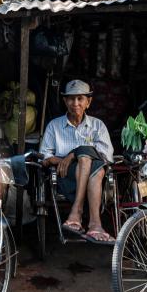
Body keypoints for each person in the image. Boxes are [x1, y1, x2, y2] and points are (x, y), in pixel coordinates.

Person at [40, 80, 115, 244]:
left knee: (90, 160)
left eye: (80, 98)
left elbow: (107, 156)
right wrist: (65, 160)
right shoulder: (54, 126)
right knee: (87, 160)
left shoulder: (98, 126)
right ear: (65, 101)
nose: (75, 103)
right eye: (71, 99)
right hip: (66, 176)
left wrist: (75, 154)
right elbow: (45, 157)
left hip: (94, 177)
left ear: (88, 102)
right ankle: (95, 225)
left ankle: (77, 212)